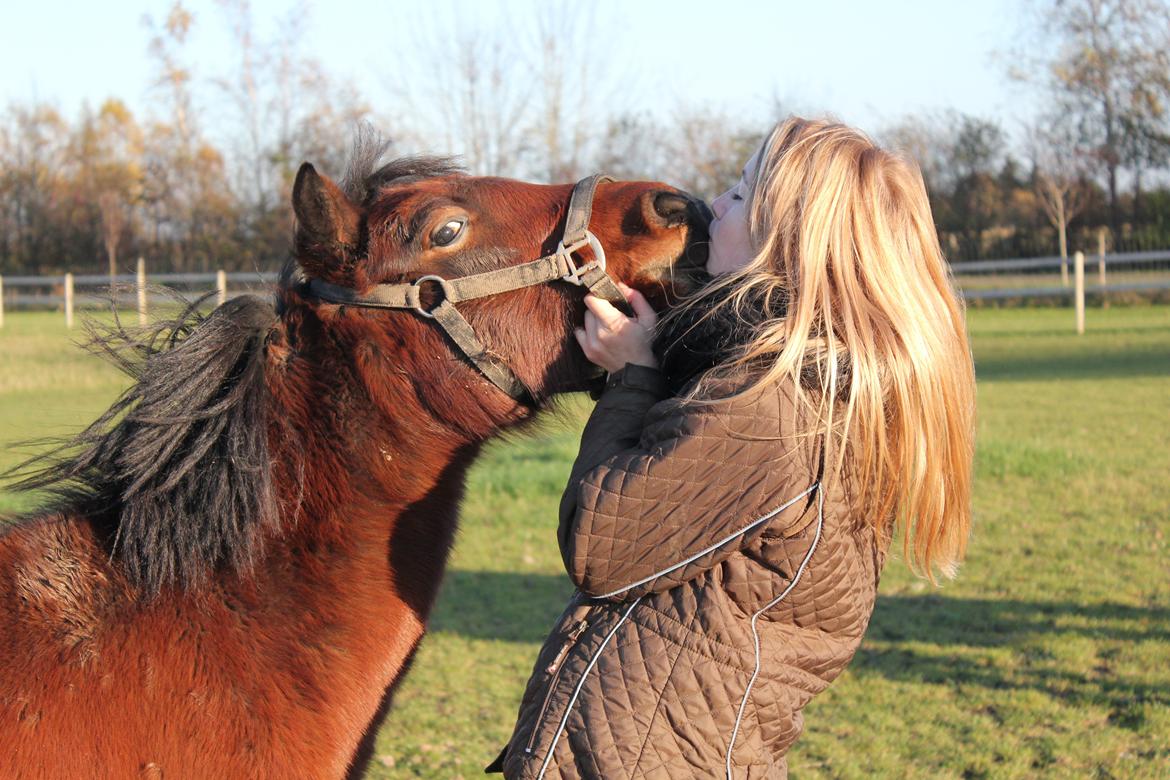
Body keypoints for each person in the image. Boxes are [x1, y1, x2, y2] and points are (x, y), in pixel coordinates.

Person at [488, 116, 976, 779]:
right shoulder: (793, 391)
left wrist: (635, 374)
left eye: (740, 196)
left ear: (792, 239)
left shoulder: (771, 410)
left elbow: (600, 545)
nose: (713, 206)